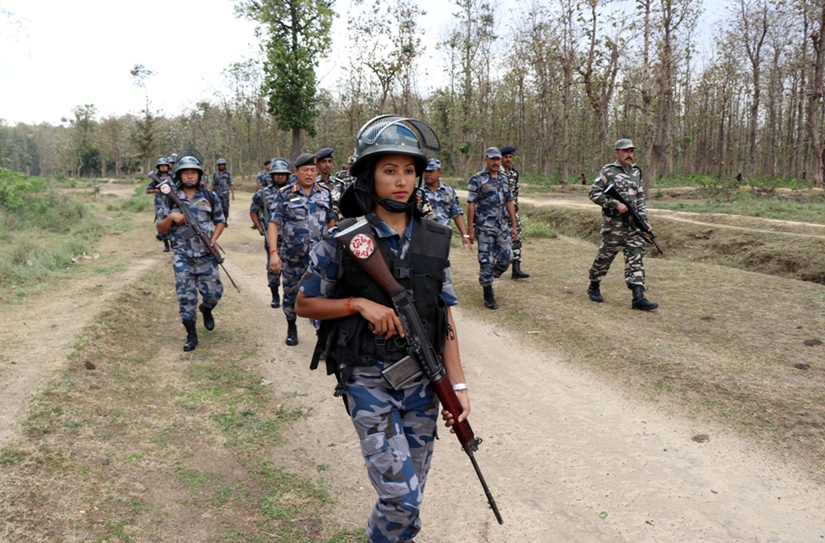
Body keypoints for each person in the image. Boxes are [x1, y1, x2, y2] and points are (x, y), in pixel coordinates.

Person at [295, 115, 470, 543]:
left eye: (410, 170)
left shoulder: (434, 237)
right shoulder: (345, 237)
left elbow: (443, 317)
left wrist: (458, 388)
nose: (402, 180)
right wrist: (358, 304)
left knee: (412, 494)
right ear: (369, 176)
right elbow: (303, 302)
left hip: (423, 385)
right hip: (368, 378)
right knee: (401, 500)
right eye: (389, 170)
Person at [156, 155, 226, 351]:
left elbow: (220, 220)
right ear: (179, 175)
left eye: (193, 173)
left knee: (214, 293)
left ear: (199, 175)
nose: (189, 176)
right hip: (182, 255)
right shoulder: (169, 199)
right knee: (186, 297)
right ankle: (191, 335)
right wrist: (171, 216)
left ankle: (207, 309)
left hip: (206, 254)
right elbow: (160, 228)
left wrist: (214, 239)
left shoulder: (210, 197)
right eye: (185, 173)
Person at [267, 153, 333, 346]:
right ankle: (291, 326)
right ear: (296, 172)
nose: (310, 174)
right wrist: (273, 254)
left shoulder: (325, 193)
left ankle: (321, 336)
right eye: (305, 170)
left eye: (313, 170)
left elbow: (331, 221)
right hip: (292, 257)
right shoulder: (285, 194)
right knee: (290, 293)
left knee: (321, 295)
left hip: (319, 258)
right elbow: (273, 224)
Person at [587, 139, 658, 310]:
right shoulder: (608, 171)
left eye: (631, 151)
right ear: (616, 153)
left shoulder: (636, 172)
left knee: (636, 259)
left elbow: (640, 199)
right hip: (614, 226)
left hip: (633, 227)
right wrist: (614, 204)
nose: (630, 155)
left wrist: (644, 223)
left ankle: (638, 297)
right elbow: (594, 193)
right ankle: (594, 284)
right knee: (604, 258)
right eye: (625, 151)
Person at [466, 147, 518, 309]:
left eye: (498, 159)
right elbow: (471, 204)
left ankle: (490, 273)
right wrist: (470, 229)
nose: (496, 162)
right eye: (493, 159)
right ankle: (488, 291)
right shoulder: (477, 179)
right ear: (486, 159)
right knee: (486, 260)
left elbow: (510, 202)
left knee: (507, 257)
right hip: (484, 227)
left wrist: (514, 224)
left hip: (502, 225)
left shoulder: (504, 178)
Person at [250, 158, 291, 309]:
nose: (280, 177)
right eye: (277, 174)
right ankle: (275, 295)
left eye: (283, 174)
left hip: (292, 237)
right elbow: (253, 210)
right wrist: (260, 228)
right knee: (273, 268)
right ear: (272, 175)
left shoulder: (293, 192)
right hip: (273, 238)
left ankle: (293, 297)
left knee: (293, 268)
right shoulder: (263, 193)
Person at [421, 158, 472, 250]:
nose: (428, 174)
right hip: (424, 236)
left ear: (439, 172)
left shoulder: (448, 191)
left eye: (431, 171)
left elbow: (456, 213)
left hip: (443, 235)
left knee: (443, 262)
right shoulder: (418, 192)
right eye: (426, 171)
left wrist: (464, 235)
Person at [499, 145, 530, 279]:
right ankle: (495, 267)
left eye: (510, 157)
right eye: (505, 157)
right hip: (498, 212)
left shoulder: (514, 174)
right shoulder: (496, 173)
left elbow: (514, 195)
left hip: (512, 212)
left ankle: (516, 269)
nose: (508, 159)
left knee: (516, 238)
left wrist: (515, 213)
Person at [147, 156, 174, 252]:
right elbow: (148, 190)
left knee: (173, 224)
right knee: (162, 224)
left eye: (164, 166)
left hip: (172, 203)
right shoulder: (155, 178)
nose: (163, 168)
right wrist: (157, 190)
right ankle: (166, 245)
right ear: (158, 167)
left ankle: (173, 243)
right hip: (161, 205)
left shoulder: (173, 177)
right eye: (161, 166)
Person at [315, 147, 348, 222]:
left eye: (330, 161)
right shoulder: (312, 184)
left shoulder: (340, 184)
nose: (327, 165)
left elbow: (345, 209)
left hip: (337, 226)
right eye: (324, 162)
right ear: (317, 163)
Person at [211, 158, 235, 226]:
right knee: (216, 207)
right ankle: (217, 220)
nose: (221, 166)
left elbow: (231, 184)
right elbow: (213, 183)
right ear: (218, 165)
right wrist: (210, 192)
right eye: (220, 165)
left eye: (223, 165)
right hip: (217, 193)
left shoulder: (228, 173)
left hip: (225, 194)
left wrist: (233, 194)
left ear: (224, 165)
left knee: (225, 207)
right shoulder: (215, 174)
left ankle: (225, 220)